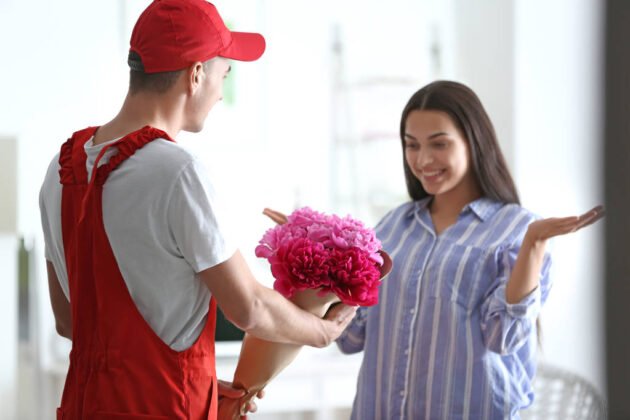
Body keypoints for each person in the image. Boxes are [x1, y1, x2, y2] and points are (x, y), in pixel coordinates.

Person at [38, 1, 357, 419]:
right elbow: (248, 308)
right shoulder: (177, 171)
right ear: (195, 74)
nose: (222, 92)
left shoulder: (62, 169)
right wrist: (321, 332)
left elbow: (68, 321)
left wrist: (200, 382)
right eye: (224, 73)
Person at [329, 80, 603, 419]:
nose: (423, 159)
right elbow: (351, 336)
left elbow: (504, 336)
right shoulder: (392, 227)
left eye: (439, 144)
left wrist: (534, 244)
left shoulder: (516, 231)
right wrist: (320, 259)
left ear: (474, 142)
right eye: (411, 145)